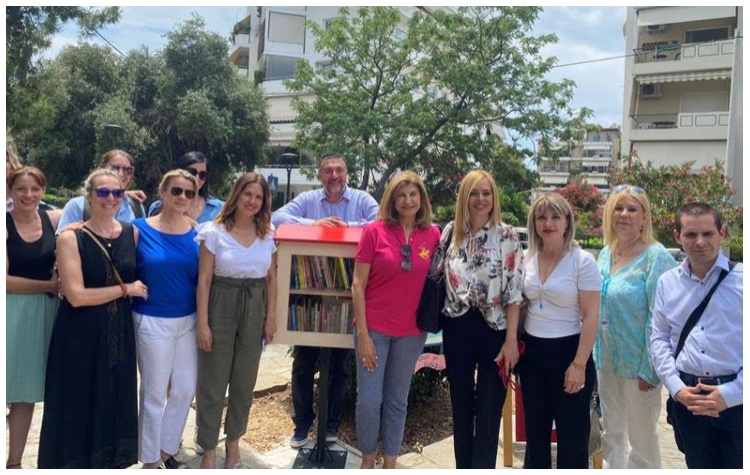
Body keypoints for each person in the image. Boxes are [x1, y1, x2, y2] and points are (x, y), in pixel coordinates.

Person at [38, 169, 149, 468]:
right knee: (78, 403)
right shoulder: (70, 237)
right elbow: (76, 295)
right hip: (79, 335)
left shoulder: (131, 233)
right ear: (88, 195)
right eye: (102, 192)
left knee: (113, 399)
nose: (110, 198)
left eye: (117, 193)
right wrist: (126, 289)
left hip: (118, 335)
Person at [271, 152, 378, 447]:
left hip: (346, 294)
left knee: (339, 367)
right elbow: (277, 218)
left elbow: (379, 222)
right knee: (303, 364)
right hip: (308, 294)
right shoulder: (308, 199)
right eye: (328, 171)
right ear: (320, 175)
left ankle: (331, 425)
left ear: (347, 173)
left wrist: (347, 227)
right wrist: (315, 223)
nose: (333, 176)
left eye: (339, 170)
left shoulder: (362, 199)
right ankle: (302, 425)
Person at [351, 171, 440, 469]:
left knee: (397, 401)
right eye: (401, 194)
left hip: (411, 332)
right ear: (392, 198)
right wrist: (363, 335)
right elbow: (357, 285)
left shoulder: (433, 235)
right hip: (374, 330)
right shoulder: (373, 232)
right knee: (369, 400)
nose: (407, 200)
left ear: (422, 199)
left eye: (413, 194)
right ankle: (367, 460)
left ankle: (390, 463)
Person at [435, 170, 523, 469]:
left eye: (486, 193)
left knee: (489, 408)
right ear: (464, 196)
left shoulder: (507, 235)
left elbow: (514, 292)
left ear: (494, 197)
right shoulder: (451, 232)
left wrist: (511, 341)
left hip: (495, 329)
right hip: (457, 326)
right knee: (460, 405)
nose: (480, 199)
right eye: (474, 193)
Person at [650, 202, 742, 469]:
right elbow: (659, 338)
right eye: (691, 234)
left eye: (708, 233)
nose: (700, 242)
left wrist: (732, 393)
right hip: (689, 399)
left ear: (722, 233)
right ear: (677, 236)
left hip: (738, 401)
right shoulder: (667, 282)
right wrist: (676, 387)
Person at [195, 172, 277, 469]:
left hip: (255, 306)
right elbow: (204, 280)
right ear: (237, 195)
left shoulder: (267, 233)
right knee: (213, 382)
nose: (252, 201)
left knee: (244, 382)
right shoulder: (214, 232)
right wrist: (203, 323)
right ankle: (208, 447)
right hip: (221, 303)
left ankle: (233, 443)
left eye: (258, 197)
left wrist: (271, 317)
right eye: (247, 194)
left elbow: (271, 279)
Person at [594, 184, 677, 469]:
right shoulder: (605, 253)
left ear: (644, 217)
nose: (624, 214)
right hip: (605, 359)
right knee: (612, 432)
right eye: (618, 208)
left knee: (642, 439)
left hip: (638, 361)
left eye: (632, 209)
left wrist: (650, 368)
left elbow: (660, 317)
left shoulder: (656, 257)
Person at [519, 192, 601, 469]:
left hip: (570, 353)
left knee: (572, 437)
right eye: (541, 217)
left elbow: (591, 316)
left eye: (555, 217)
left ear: (567, 222)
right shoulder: (527, 258)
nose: (548, 223)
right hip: (533, 355)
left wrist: (579, 364)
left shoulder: (582, 261)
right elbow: (521, 306)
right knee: (535, 435)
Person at [131, 169, 200, 469]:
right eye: (176, 191)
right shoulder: (138, 230)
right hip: (152, 319)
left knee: (185, 389)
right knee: (154, 393)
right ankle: (149, 461)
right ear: (162, 193)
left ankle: (164, 451)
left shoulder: (196, 232)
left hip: (189, 320)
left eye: (189, 193)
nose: (182, 197)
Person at [6, 167, 61, 469]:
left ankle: (14, 463)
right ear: (10, 192)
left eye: (34, 189)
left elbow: (92, 204)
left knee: (25, 392)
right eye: (21, 189)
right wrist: (49, 286)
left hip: (42, 315)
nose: (28, 195)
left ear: (43, 190)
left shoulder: (52, 220)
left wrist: (128, 194)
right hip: (9, 311)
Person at [56, 149, 146, 233]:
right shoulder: (77, 206)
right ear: (101, 169)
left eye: (128, 170)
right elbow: (61, 240)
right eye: (114, 168)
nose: (120, 174)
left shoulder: (136, 207)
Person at [148, 151, 225, 224]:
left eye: (202, 175)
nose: (197, 178)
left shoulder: (220, 208)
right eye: (192, 172)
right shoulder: (158, 207)